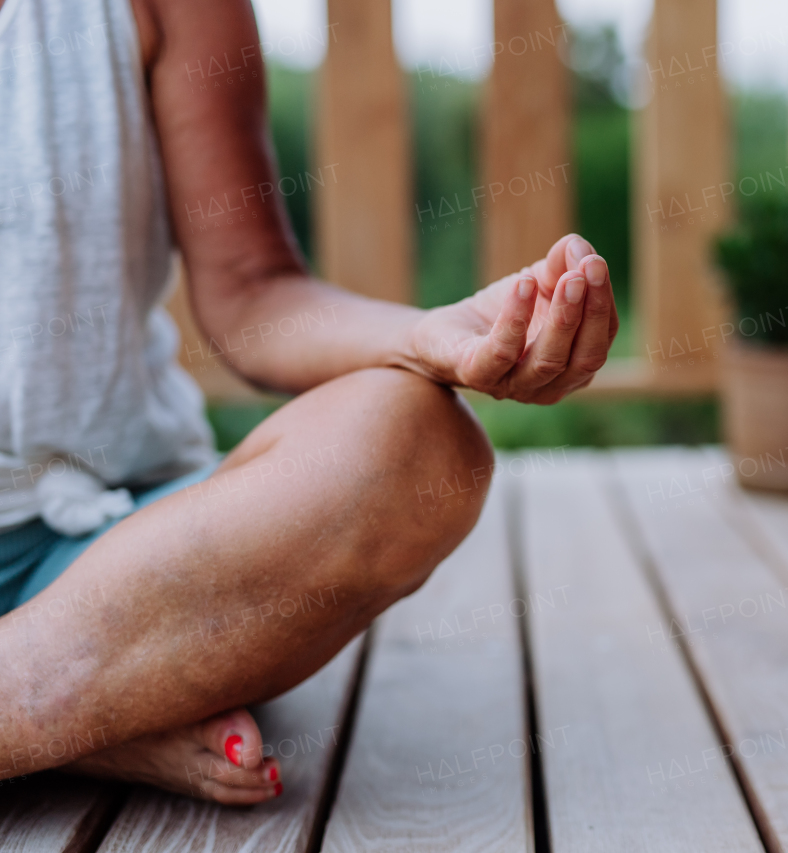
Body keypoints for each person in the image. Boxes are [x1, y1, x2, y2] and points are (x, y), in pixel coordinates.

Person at [0, 0, 616, 804]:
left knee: (417, 444)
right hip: (112, 627)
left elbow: (254, 294)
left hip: (117, 554)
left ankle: (57, 705)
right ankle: (91, 713)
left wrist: (432, 333)